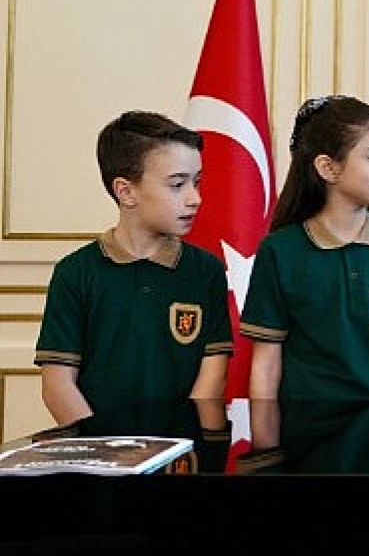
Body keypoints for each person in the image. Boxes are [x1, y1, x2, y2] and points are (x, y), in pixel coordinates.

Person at [240, 96, 369, 400]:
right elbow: (266, 366)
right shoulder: (280, 251)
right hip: (311, 425)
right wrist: (264, 432)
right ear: (328, 168)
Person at [34, 111, 231, 425]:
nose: (195, 198)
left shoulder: (207, 272)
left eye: (196, 182)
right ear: (126, 191)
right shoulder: (75, 273)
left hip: (182, 447)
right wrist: (106, 446)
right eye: (177, 185)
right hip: (100, 449)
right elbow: (58, 385)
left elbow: (212, 379)